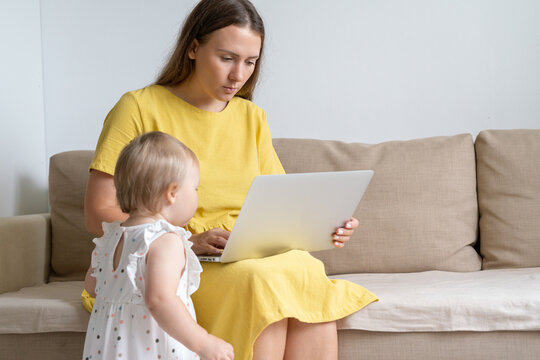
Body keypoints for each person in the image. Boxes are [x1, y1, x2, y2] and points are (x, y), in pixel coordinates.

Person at [82, 0, 377, 359]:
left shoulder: (252, 117)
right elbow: (98, 210)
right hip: (172, 258)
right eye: (227, 58)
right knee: (259, 281)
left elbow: (282, 202)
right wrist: (185, 239)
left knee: (305, 271)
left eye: (250, 62)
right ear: (193, 48)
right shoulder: (139, 106)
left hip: (245, 252)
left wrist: (326, 223)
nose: (239, 75)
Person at [82, 132, 234, 360]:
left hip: (111, 348)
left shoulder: (112, 237)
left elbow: (93, 286)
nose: (196, 195)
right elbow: (160, 299)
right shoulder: (165, 240)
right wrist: (204, 342)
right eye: (195, 188)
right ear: (172, 193)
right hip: (152, 350)